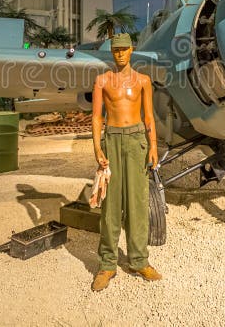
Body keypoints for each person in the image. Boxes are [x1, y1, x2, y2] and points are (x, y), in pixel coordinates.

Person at [90, 33, 162, 292]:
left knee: (138, 202)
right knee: (111, 205)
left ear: (132, 50)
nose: (120, 53)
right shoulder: (102, 81)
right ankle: (107, 264)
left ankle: (138, 260)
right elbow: (97, 117)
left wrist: (153, 146)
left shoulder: (143, 81)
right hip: (112, 139)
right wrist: (97, 147)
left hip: (136, 141)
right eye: (115, 49)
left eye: (124, 49)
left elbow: (149, 116)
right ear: (111, 51)